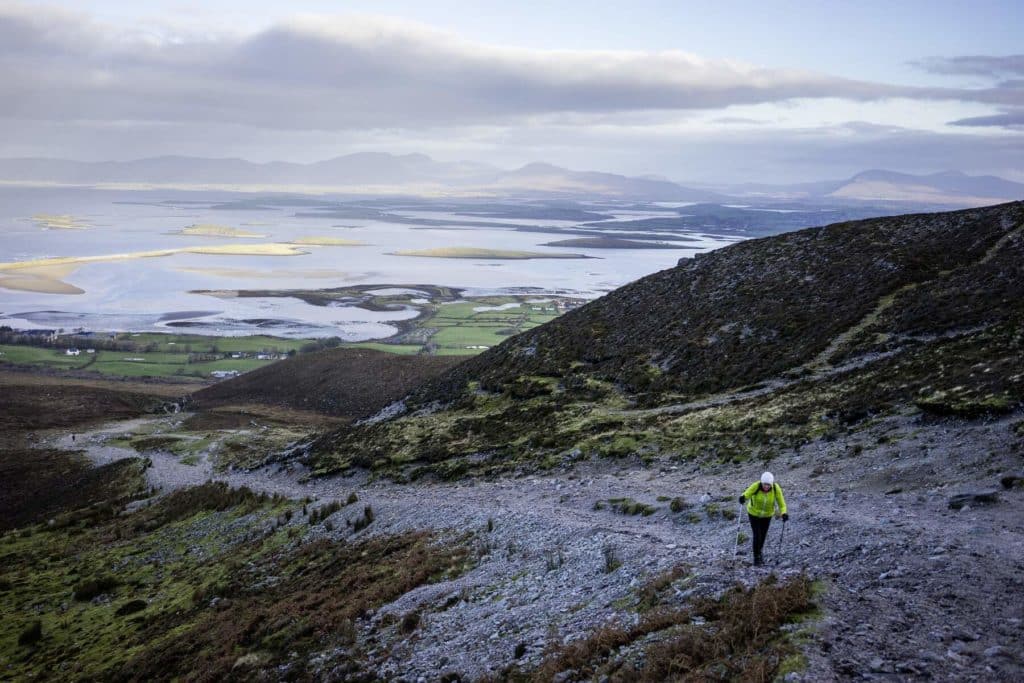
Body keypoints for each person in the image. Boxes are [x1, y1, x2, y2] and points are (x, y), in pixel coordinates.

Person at [738, 471, 788, 566]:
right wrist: (743, 497)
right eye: (765, 484)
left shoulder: (776, 489)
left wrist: (784, 513)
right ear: (761, 483)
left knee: (763, 536)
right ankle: (756, 558)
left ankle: (760, 553)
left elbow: (782, 503)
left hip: (767, 516)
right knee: (757, 535)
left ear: (771, 484)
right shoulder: (756, 486)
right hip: (754, 514)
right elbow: (747, 493)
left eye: (768, 485)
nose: (766, 487)